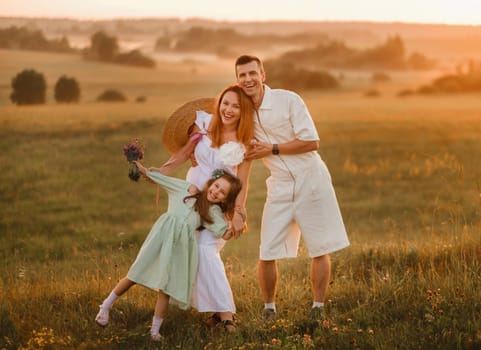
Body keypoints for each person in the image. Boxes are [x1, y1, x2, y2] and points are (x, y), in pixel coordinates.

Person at [234, 54, 350, 320]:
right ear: (237, 80)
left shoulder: (289, 100)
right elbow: (244, 159)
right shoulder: (244, 114)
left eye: (253, 73)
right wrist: (238, 207)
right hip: (280, 186)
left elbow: (311, 142)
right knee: (266, 251)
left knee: (320, 248)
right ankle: (269, 308)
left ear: (263, 75)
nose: (248, 79)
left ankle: (317, 309)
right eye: (242, 75)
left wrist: (272, 149)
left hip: (312, 179)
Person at [95, 162, 242, 341]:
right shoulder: (187, 189)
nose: (216, 191)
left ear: (225, 199)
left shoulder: (212, 211)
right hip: (161, 238)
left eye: (222, 193)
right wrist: (143, 169)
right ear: (211, 182)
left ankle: (155, 331)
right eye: (216, 185)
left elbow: (223, 233)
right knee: (135, 274)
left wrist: (237, 222)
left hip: (180, 248)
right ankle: (105, 307)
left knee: (165, 288)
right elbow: (161, 180)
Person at [158, 84, 254, 332]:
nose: (229, 110)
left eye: (236, 106)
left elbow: (242, 182)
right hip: (191, 200)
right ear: (219, 103)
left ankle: (226, 316)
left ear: (243, 112)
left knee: (206, 250)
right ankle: (214, 311)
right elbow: (181, 155)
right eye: (226, 103)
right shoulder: (203, 127)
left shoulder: (246, 143)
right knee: (191, 250)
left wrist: (238, 213)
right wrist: (157, 173)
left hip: (219, 204)